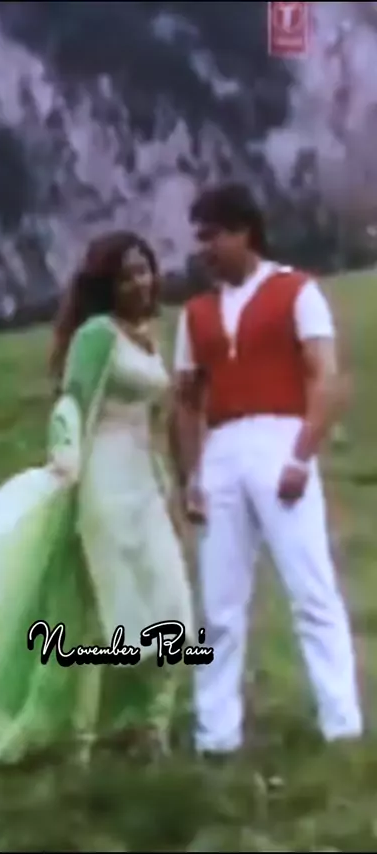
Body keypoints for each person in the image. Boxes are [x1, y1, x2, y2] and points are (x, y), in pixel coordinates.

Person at [0, 230, 194, 766]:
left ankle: (152, 725)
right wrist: (67, 463)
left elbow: (153, 415)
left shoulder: (149, 335)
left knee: (167, 597)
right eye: (126, 275)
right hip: (103, 481)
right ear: (106, 285)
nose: (140, 282)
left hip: (143, 480)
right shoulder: (97, 335)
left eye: (144, 269)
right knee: (104, 610)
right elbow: (73, 402)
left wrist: (168, 481)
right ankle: (83, 740)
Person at [171, 183, 363, 755]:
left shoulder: (296, 291)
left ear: (243, 232)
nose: (203, 249)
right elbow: (185, 400)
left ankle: (343, 723)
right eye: (200, 238)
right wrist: (192, 476)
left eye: (212, 236)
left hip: (281, 436)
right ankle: (216, 733)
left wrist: (302, 454)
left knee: (311, 588)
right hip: (222, 448)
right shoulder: (196, 314)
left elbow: (325, 378)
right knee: (219, 603)